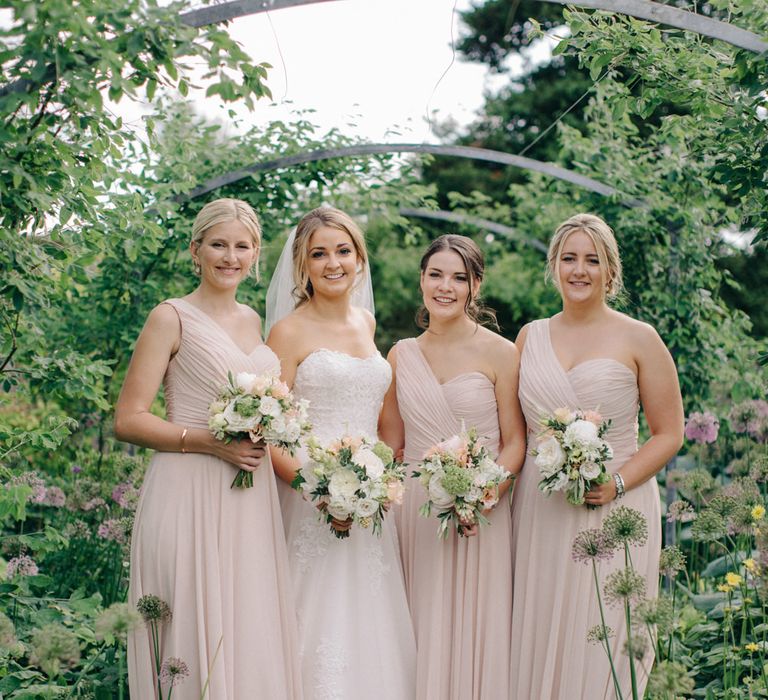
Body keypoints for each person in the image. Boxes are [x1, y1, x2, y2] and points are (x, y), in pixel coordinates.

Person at [116, 198, 302, 699]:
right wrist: (210, 443)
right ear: (195, 250)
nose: (230, 256)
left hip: (248, 500)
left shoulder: (254, 321)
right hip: (187, 488)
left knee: (243, 623)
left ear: (256, 253)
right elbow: (128, 418)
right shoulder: (170, 316)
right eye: (218, 244)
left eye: (242, 246)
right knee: (189, 627)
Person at [509, 213, 684, 699]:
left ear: (611, 270)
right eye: (569, 258)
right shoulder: (529, 337)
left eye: (592, 260)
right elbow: (515, 435)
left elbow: (669, 434)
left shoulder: (639, 338)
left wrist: (619, 483)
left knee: (603, 638)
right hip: (541, 511)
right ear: (554, 266)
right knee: (540, 631)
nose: (579, 270)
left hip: (615, 511)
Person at [266, 207, 416, 700]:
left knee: (370, 622)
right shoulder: (287, 332)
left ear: (360, 257)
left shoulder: (367, 323)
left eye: (343, 251)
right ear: (302, 266)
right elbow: (272, 432)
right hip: (310, 500)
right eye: (319, 253)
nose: (333, 263)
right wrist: (320, 492)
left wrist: (378, 485)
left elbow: (382, 424)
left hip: (372, 506)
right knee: (316, 620)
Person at [379, 234, 526, 700]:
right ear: (421, 279)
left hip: (482, 509)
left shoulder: (502, 353)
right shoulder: (399, 355)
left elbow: (516, 441)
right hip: (417, 511)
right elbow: (392, 444)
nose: (445, 287)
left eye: (458, 278)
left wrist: (485, 494)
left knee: (478, 625)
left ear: (474, 286)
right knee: (419, 623)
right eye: (436, 275)